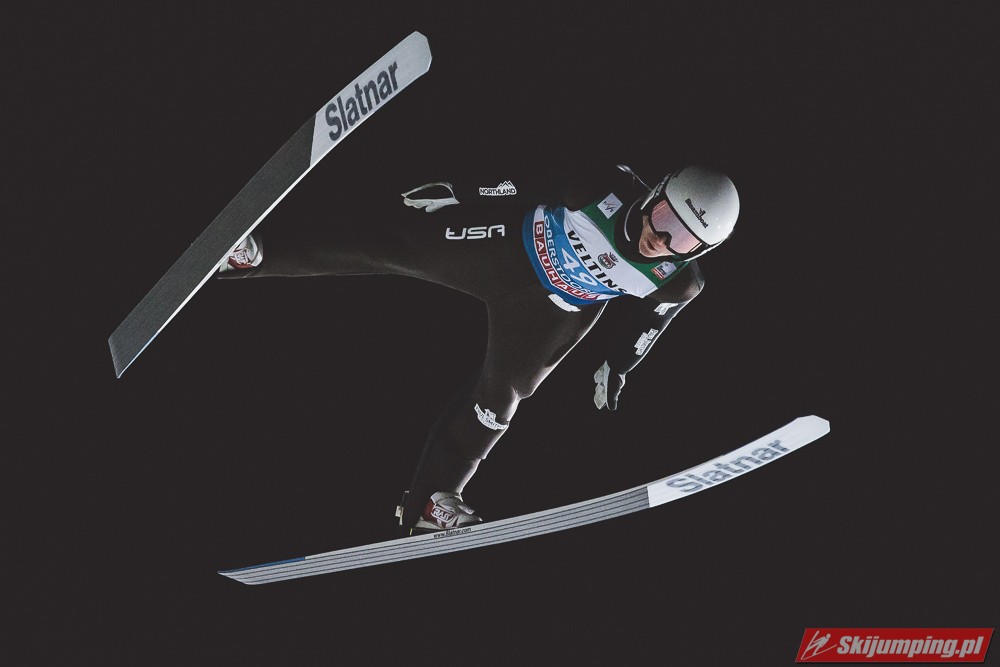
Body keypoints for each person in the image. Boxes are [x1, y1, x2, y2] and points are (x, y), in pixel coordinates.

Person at [219, 163, 740, 536]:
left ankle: (432, 501)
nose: (660, 240)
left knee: (499, 404)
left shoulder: (679, 280)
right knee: (386, 247)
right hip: (506, 250)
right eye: (664, 218)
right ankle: (256, 254)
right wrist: (458, 191)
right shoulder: (604, 186)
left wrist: (618, 364)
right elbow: (524, 179)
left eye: (682, 240)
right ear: (656, 193)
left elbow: (651, 324)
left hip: (554, 310)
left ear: (700, 250)